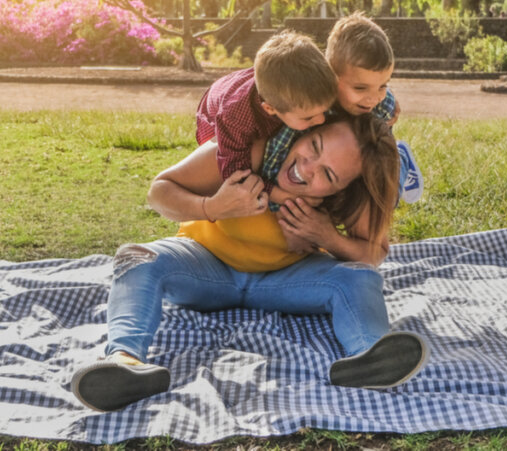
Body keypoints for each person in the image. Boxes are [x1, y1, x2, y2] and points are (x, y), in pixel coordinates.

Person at [70, 113, 427, 412]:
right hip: (205, 266)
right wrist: (213, 207)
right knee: (137, 257)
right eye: (313, 146)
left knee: (358, 277)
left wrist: (327, 237)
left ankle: (371, 357)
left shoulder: (349, 195)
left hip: (283, 280)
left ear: (341, 187)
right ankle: (124, 362)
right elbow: (159, 191)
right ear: (306, 130)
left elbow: (374, 254)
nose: (307, 168)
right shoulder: (248, 149)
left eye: (328, 175)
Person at [261, 12, 424, 206]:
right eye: (360, 88)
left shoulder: (382, 104)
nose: (374, 98)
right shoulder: (309, 104)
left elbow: (379, 150)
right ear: (331, 76)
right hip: (321, 170)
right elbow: (272, 161)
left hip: (357, 158)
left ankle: (402, 157)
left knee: (386, 195)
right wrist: (276, 197)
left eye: (383, 85)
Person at [195, 29, 337, 210]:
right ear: (270, 109)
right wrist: (283, 196)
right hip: (212, 113)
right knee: (239, 158)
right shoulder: (235, 117)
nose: (321, 120)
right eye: (309, 117)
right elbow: (236, 174)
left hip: (246, 87)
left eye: (324, 111)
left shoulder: (293, 94)